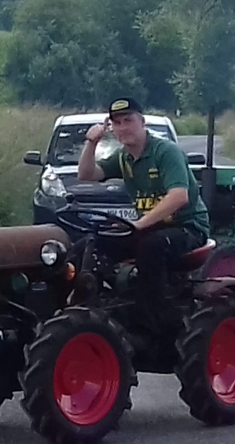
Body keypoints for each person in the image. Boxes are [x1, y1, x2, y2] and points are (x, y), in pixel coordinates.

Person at [77, 97, 211, 329]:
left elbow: (179, 196)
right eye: (116, 123)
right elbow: (87, 174)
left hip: (187, 227)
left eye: (128, 120)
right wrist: (91, 143)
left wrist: (139, 224)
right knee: (91, 242)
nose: (122, 128)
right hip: (153, 228)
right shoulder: (124, 157)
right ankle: (92, 305)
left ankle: (153, 322)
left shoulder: (165, 152)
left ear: (142, 121)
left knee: (151, 246)